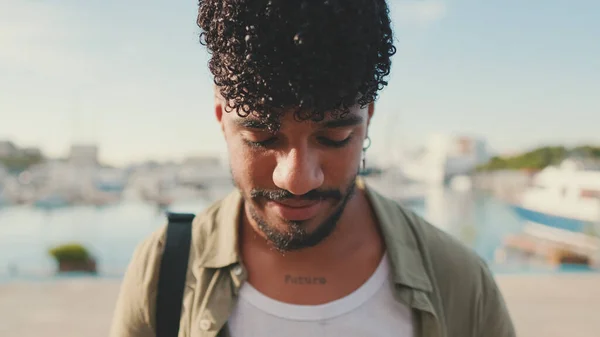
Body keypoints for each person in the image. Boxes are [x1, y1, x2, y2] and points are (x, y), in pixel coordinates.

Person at [109, 0, 516, 336]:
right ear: (221, 115)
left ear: (368, 118)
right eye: (262, 138)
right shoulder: (164, 269)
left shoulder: (462, 284)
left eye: (334, 138)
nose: (298, 179)